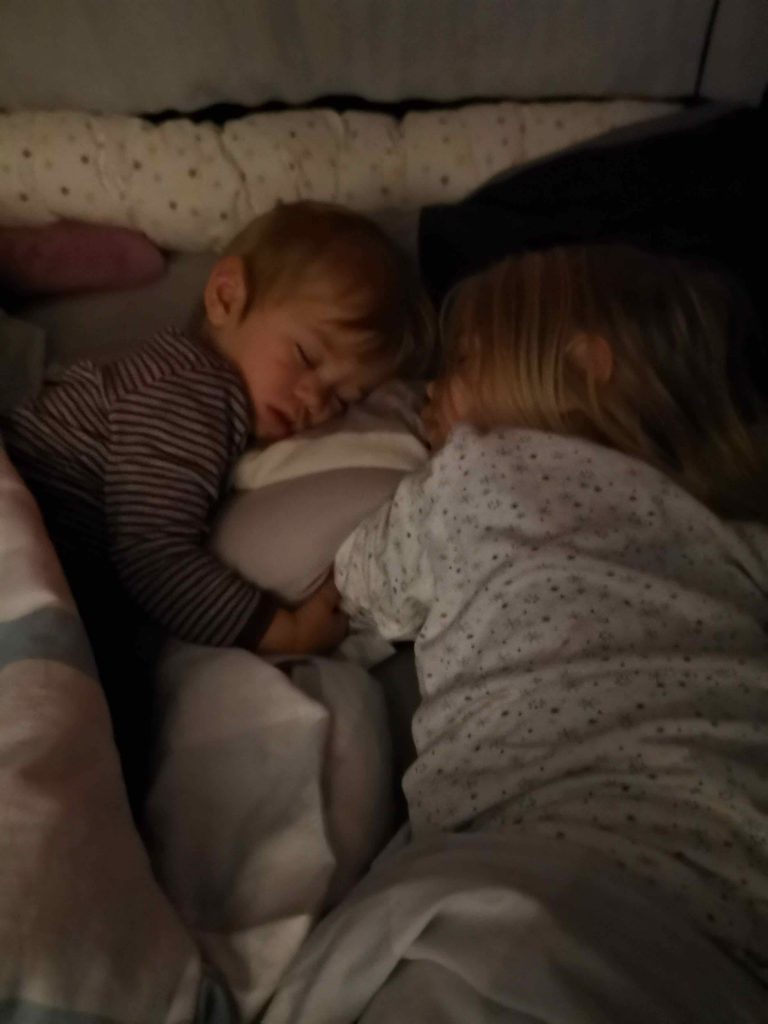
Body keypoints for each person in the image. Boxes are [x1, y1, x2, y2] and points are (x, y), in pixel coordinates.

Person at [335, 244, 768, 983]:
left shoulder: (476, 466)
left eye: (462, 361)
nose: (433, 389)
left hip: (539, 845)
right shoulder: (730, 527)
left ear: (584, 368)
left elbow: (360, 583)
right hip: (741, 853)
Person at [2, 200, 429, 808]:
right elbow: (153, 555)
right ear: (226, 297)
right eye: (306, 357)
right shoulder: (196, 390)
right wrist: (280, 629)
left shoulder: (169, 375)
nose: (314, 399)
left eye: (342, 399)